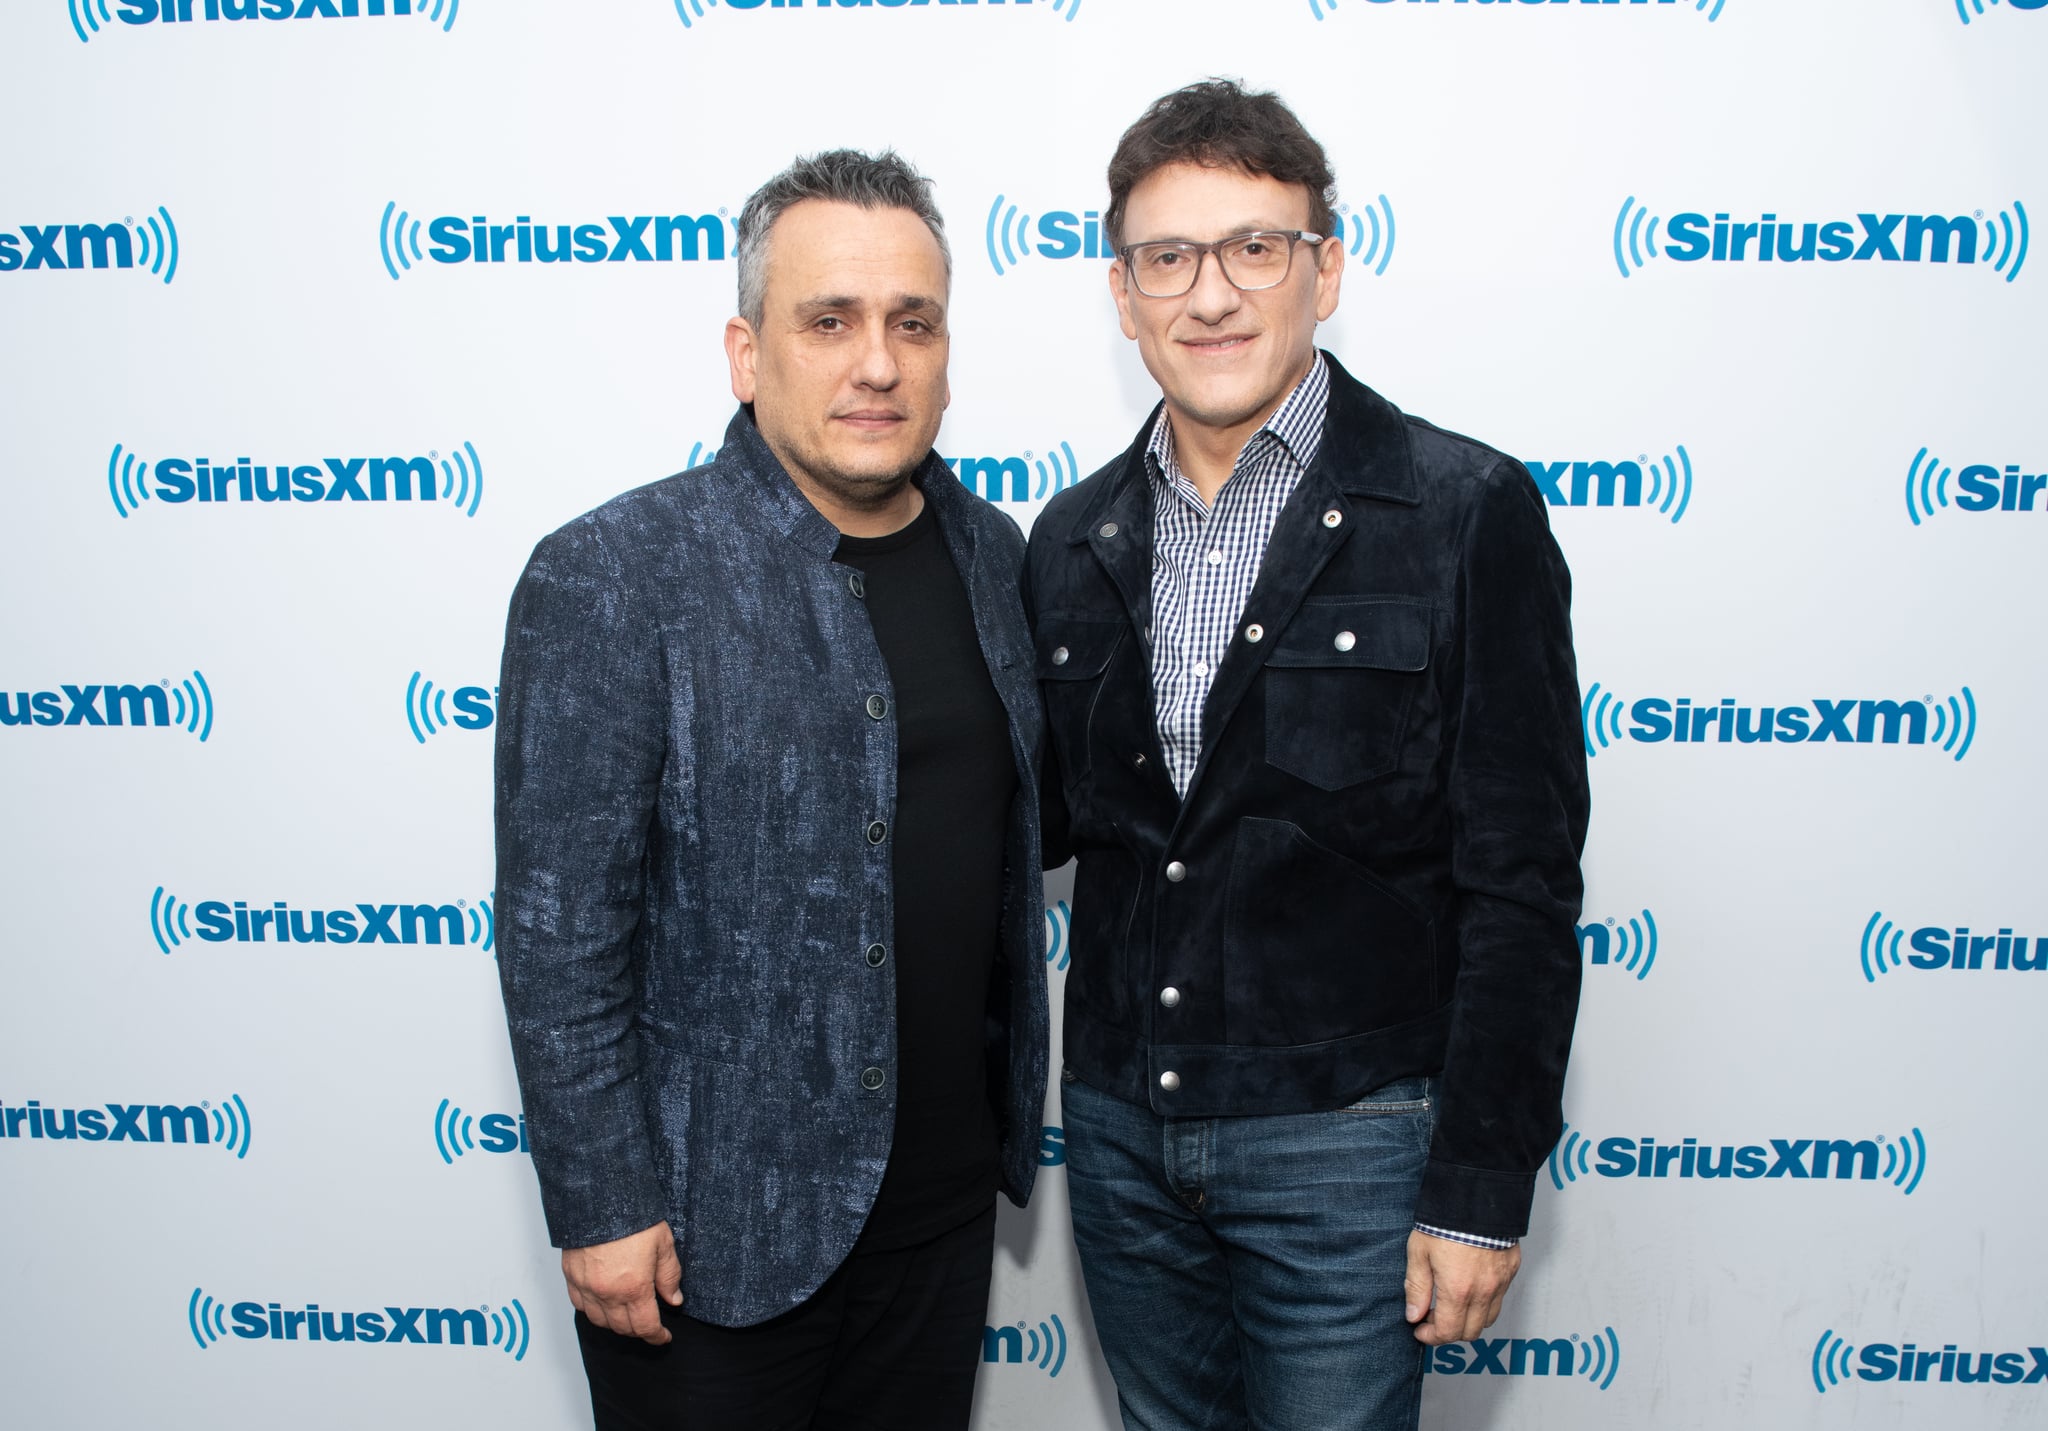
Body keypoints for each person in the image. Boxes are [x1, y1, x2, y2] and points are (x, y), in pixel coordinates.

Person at [1024, 81, 1589, 1431]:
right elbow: (1039, 830)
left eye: (1254, 247)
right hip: (1119, 1139)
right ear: (1122, 294)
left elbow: (1522, 884)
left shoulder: (1463, 512)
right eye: (1168, 257)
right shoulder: (1068, 538)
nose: (1209, 294)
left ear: (1324, 268)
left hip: (1353, 1144)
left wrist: (1478, 1179)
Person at [494, 149, 1048, 1431]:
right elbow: (558, 937)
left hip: (941, 1224)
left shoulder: (995, 556)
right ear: (747, 354)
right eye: (829, 321)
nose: (877, 364)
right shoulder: (613, 576)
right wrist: (602, 1205)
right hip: (705, 1249)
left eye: (914, 323)